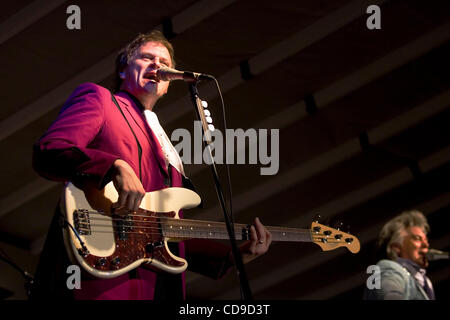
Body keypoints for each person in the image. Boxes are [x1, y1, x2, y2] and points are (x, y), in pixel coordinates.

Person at [31, 30, 272, 300]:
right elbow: (50, 150)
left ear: (169, 83)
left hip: (154, 286)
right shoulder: (101, 100)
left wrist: (234, 256)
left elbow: (163, 228)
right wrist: (114, 165)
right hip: (96, 276)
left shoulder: (166, 147)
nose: (157, 65)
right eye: (147, 57)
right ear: (123, 70)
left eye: (164, 62)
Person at [364, 210, 435, 300]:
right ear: (396, 247)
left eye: (426, 240)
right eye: (417, 239)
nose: (426, 245)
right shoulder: (388, 268)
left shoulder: (423, 282)